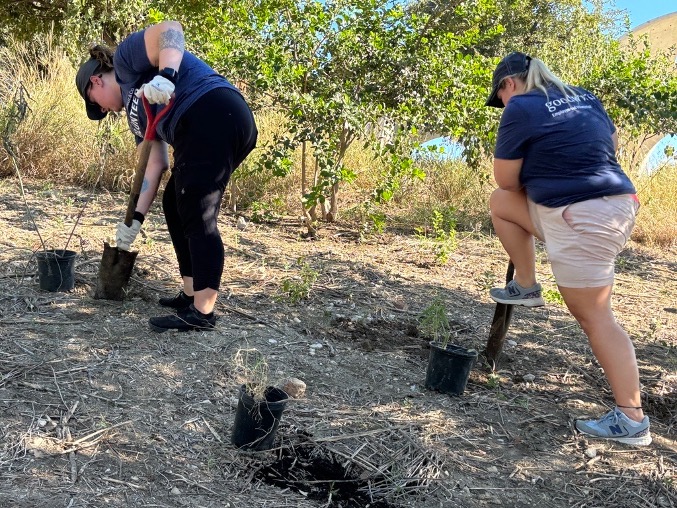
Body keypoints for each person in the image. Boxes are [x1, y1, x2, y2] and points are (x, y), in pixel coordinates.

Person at [485, 52, 650, 446]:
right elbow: (609, 146)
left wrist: (539, 168)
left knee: (596, 318)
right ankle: (525, 283)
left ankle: (632, 419)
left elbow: (507, 178)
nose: (502, 105)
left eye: (500, 97)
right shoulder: (584, 97)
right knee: (501, 207)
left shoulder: (521, 106)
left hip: (583, 217)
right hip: (616, 203)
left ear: (509, 84)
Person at [76, 21, 257, 332]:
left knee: (197, 208)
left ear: (96, 82)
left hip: (212, 109)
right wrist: (134, 220)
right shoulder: (136, 121)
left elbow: (170, 30)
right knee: (175, 202)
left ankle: (203, 313)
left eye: (97, 106)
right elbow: (154, 165)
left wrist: (167, 75)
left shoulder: (126, 62)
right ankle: (190, 294)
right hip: (200, 126)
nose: (105, 112)